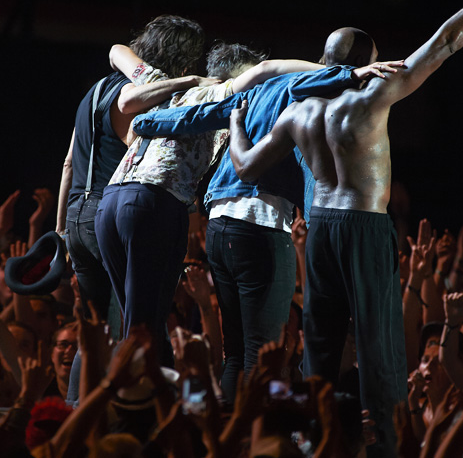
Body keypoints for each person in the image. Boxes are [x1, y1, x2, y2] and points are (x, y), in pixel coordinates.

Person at [227, 0, 463, 456]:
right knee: (378, 346)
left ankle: (309, 439)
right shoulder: (372, 96)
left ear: (324, 63)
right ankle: (384, 446)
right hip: (363, 226)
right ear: (369, 63)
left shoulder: (296, 113)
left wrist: (236, 122)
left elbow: (245, 167)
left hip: (320, 226)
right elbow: (446, 41)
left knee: (319, 344)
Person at [131, 29, 402, 402]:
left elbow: (195, 116)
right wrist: (354, 75)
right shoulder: (308, 89)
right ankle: (261, 438)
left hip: (220, 226)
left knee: (235, 354)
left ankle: (227, 438)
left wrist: (144, 124)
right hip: (259, 226)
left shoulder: (251, 94)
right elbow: (331, 78)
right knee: (265, 355)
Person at [96, 41, 344, 367]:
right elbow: (268, 71)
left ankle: (148, 404)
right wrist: (341, 73)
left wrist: (185, 82)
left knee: (144, 324)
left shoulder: (162, 85)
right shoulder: (226, 92)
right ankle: (133, 410)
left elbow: (116, 53)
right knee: (147, 330)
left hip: (113, 200)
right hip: (157, 203)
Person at [55, 15, 205, 404]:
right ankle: (135, 412)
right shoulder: (139, 93)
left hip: (76, 214)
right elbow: (140, 151)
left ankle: (77, 413)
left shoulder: (94, 91)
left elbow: (70, 164)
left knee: (92, 332)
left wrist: (60, 229)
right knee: (131, 325)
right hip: (111, 213)